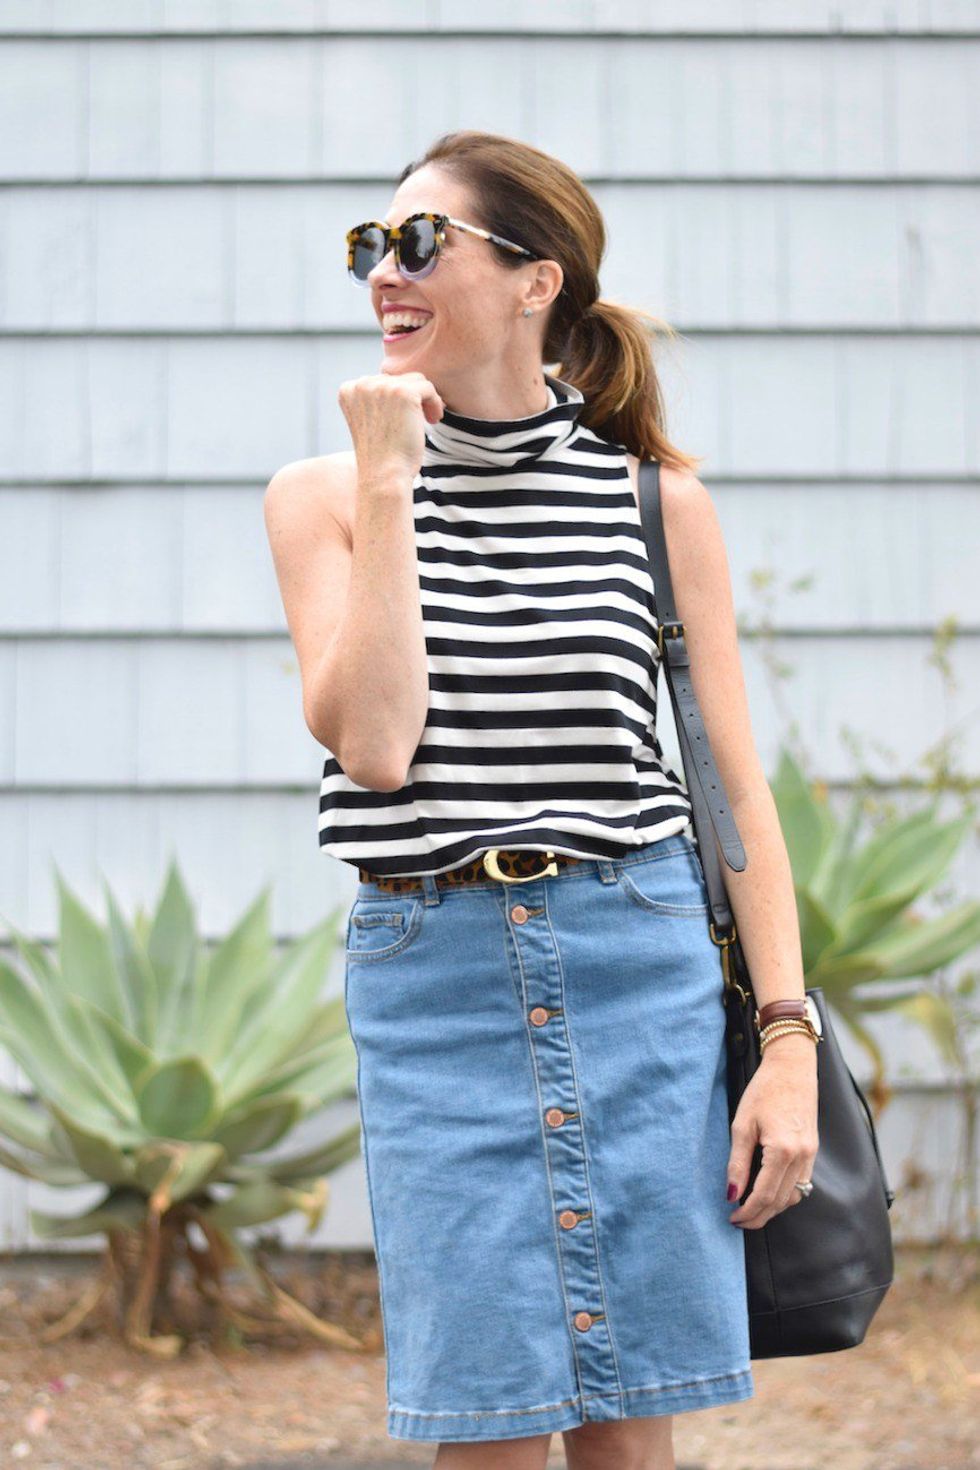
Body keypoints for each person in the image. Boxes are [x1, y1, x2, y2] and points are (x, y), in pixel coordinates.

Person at [263, 129, 819, 1470]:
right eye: (368, 248)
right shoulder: (325, 497)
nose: (383, 275)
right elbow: (379, 745)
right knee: (492, 1428)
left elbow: (733, 786)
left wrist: (789, 1037)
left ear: (534, 282)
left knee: (630, 1435)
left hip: (637, 969)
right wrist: (393, 478)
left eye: (417, 244)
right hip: (434, 983)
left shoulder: (656, 504)